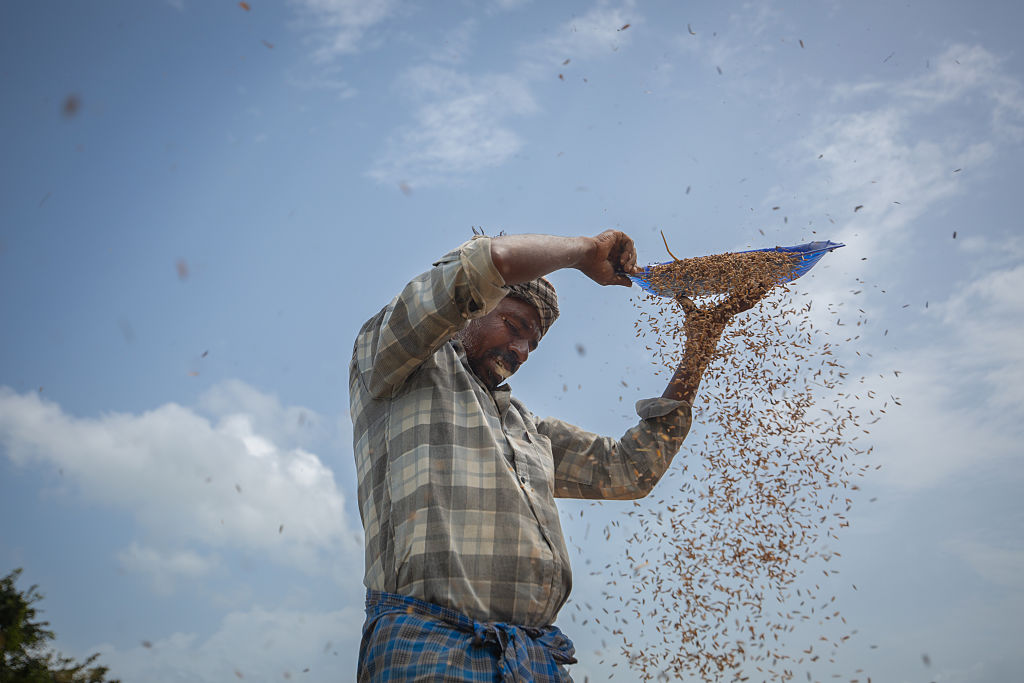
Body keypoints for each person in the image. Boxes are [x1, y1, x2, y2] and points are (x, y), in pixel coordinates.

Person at [349, 230, 766, 682]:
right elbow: (485, 265)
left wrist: (700, 347)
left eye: (534, 342)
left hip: (532, 656)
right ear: (471, 311)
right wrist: (586, 252)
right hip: (431, 647)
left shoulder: (526, 429)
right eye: (514, 327)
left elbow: (630, 470)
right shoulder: (399, 363)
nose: (522, 351)